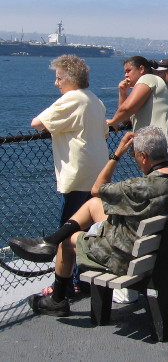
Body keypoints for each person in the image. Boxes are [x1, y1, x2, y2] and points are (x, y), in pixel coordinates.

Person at [8, 126, 168, 317]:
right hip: (164, 247)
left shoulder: (137, 187)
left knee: (69, 240)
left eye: (134, 155)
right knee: (93, 207)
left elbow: (96, 189)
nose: (134, 158)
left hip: (127, 255)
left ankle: (56, 299)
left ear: (144, 156)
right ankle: (50, 241)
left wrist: (117, 153)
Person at [31, 54, 109, 295]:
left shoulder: (72, 98)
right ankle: (83, 278)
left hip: (79, 174)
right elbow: (105, 131)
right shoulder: (94, 99)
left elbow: (37, 123)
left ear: (70, 78)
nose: (56, 83)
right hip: (98, 170)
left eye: (59, 78)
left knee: (69, 230)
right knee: (90, 229)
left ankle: (61, 287)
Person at [107, 56, 168, 168]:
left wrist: (112, 121)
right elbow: (126, 118)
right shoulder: (152, 84)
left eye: (128, 71)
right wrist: (122, 93)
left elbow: (126, 108)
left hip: (165, 152)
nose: (126, 75)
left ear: (141, 69)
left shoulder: (148, 78)